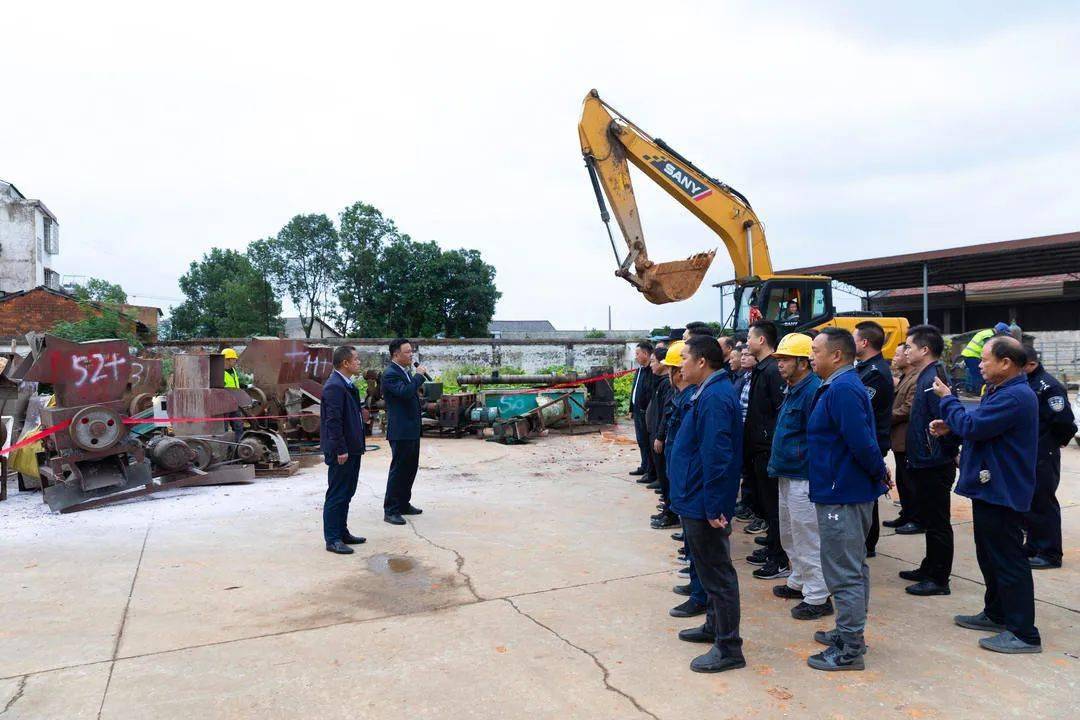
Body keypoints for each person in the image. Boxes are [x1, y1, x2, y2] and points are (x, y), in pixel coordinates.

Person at [930, 337, 1042, 653]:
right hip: (990, 488)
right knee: (990, 555)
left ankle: (1023, 633)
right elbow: (978, 426)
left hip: (1003, 490)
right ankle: (996, 613)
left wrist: (948, 400)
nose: (979, 364)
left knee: (1008, 560)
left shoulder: (1016, 397)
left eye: (984, 358)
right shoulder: (1001, 392)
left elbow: (974, 426)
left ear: (1006, 363)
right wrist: (953, 426)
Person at [805, 328, 890, 671]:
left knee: (844, 572)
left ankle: (850, 648)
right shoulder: (840, 386)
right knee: (850, 567)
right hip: (842, 489)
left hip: (844, 494)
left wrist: (878, 473)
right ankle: (849, 631)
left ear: (836, 355)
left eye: (815, 350)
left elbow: (862, 442)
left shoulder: (842, 389)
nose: (810, 356)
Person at [668, 335, 745, 673]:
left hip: (704, 501)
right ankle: (714, 626)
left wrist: (715, 505)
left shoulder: (715, 396)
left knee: (718, 574)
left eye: (685, 357)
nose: (680, 364)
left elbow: (718, 456)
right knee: (707, 569)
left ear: (701, 362)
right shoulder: (708, 390)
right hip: (695, 496)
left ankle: (729, 647)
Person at [766, 333, 830, 620]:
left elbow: (817, 438)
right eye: (778, 359)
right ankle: (800, 580)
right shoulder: (793, 388)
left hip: (803, 476)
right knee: (790, 533)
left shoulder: (812, 391)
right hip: (787, 472)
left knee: (807, 536)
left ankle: (818, 596)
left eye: (786, 359)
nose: (780, 364)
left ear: (803, 362)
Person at [902, 325, 958, 596]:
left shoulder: (934, 378)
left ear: (924, 350)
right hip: (925, 460)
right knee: (930, 519)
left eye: (909, 346)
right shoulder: (924, 375)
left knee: (938, 523)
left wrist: (943, 453)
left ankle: (938, 579)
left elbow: (947, 420)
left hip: (934, 462)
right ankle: (928, 566)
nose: (904, 350)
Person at [1021, 345, 1076, 569]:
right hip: (1029, 452)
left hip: (1044, 452)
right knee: (1031, 501)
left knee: (1043, 501)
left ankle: (1050, 553)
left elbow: (1064, 422)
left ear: (1031, 364)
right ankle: (1034, 545)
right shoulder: (1028, 382)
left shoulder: (1049, 386)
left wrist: (1052, 444)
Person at [743, 321, 787, 578]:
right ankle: (772, 545)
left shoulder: (771, 371)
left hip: (768, 448)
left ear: (761, 340)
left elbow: (777, 412)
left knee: (774, 506)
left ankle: (778, 557)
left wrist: (767, 440)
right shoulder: (762, 368)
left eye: (750, 337)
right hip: (758, 447)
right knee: (767, 504)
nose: (747, 342)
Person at [320, 345, 368, 554]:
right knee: (337, 493)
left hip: (352, 448)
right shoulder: (335, 387)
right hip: (342, 450)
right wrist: (340, 448)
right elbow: (333, 421)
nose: (359, 362)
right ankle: (332, 539)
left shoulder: (347, 385)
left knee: (347, 492)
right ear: (345, 363)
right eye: (356, 359)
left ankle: (342, 532)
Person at [853, 321, 895, 557]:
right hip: (870, 439)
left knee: (869, 493)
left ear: (864, 342)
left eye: (854, 338)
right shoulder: (866, 369)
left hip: (873, 441)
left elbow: (861, 406)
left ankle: (868, 542)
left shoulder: (875, 373)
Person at [382, 338, 427, 525]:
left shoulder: (404, 371)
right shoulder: (390, 374)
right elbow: (405, 393)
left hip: (411, 429)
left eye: (411, 351)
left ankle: (403, 503)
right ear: (396, 354)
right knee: (399, 470)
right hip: (400, 430)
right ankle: (391, 509)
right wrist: (418, 377)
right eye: (407, 352)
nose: (411, 355)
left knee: (410, 468)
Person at [884, 342, 923, 534]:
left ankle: (916, 518)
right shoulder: (905, 377)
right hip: (899, 438)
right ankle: (906, 514)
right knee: (902, 480)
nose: (896, 358)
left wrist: (885, 418)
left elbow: (908, 408)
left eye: (898, 355)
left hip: (906, 437)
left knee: (910, 482)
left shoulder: (916, 379)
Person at [647, 346, 677, 526]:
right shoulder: (661, 382)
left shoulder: (667, 384)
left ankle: (671, 514)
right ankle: (668, 509)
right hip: (655, 433)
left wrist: (660, 436)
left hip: (661, 437)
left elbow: (666, 414)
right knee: (663, 476)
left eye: (653, 361)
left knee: (666, 478)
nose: (651, 365)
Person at [629, 341, 657, 484]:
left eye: (638, 353)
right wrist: (631, 408)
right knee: (641, 441)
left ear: (646, 354)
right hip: (637, 410)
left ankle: (650, 471)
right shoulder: (639, 370)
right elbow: (635, 389)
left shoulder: (651, 372)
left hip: (646, 412)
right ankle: (644, 465)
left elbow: (650, 393)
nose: (636, 356)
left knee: (647, 441)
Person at [961, 323, 1010, 394]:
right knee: (978, 374)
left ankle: (970, 390)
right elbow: (989, 348)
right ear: (1001, 331)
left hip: (969, 355)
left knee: (972, 373)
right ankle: (978, 392)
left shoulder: (986, 332)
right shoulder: (989, 335)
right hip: (973, 355)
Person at [222, 348, 245, 443]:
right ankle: (225, 449)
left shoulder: (233, 370)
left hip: (235, 403)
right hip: (224, 405)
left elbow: (235, 385)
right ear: (227, 360)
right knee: (224, 428)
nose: (235, 360)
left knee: (239, 426)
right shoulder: (219, 372)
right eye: (234, 359)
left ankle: (239, 447)